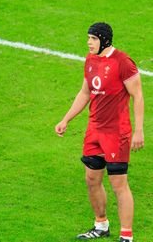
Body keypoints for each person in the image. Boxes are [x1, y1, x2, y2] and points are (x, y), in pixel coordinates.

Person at [55, 22, 144, 242]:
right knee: (91, 178)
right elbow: (85, 93)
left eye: (93, 38)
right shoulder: (90, 60)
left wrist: (139, 130)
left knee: (118, 184)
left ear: (104, 40)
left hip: (116, 133)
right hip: (94, 130)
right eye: (88, 38)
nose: (89, 42)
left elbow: (138, 95)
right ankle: (101, 224)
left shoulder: (123, 62)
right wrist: (66, 119)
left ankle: (126, 235)